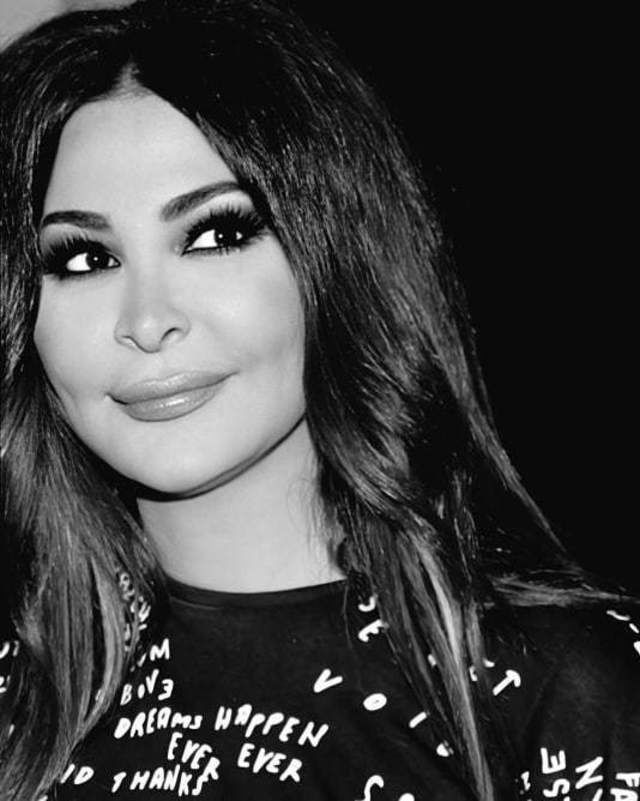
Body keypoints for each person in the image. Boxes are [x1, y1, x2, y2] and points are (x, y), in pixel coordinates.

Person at [0, 1, 638, 799]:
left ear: (335, 258)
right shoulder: (18, 690)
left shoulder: (555, 687)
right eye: (84, 257)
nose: (148, 321)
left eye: (215, 234)